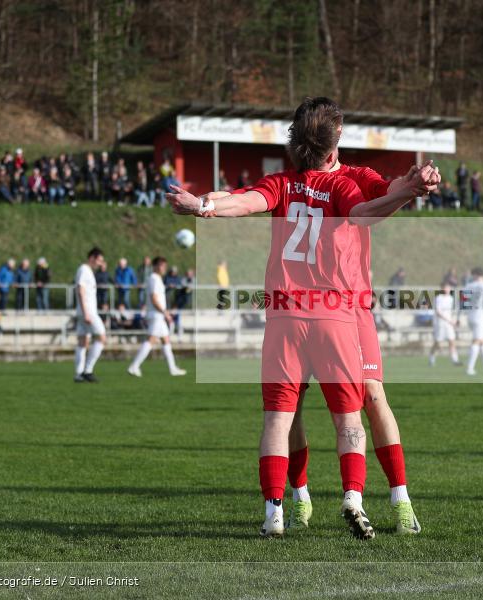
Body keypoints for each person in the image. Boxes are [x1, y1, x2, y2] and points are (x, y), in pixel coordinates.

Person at [167, 96, 433, 540]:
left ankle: (398, 499)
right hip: (333, 313)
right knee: (328, 411)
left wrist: (204, 205)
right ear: (335, 139)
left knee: (358, 398)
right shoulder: (333, 184)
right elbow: (372, 208)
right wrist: (410, 189)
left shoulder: (342, 178)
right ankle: (311, 495)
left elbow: (244, 200)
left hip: (330, 310)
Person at [128, 256, 187, 377]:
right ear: (155, 266)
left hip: (158, 315)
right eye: (162, 265)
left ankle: (173, 368)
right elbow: (154, 298)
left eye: (165, 266)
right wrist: (165, 312)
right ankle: (134, 366)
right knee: (151, 340)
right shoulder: (154, 278)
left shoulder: (157, 278)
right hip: (156, 315)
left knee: (166, 340)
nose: (164, 268)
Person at [74, 248, 106, 383]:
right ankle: (88, 370)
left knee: (83, 342)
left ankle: (78, 374)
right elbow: (80, 290)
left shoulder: (88, 271)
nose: (100, 264)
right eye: (99, 260)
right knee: (101, 338)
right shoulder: (84, 270)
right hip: (88, 312)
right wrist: (86, 312)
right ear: (92, 258)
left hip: (84, 311)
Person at [429, 283, 460, 366]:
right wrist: (449, 320)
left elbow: (449, 312)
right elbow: (438, 312)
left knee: (451, 341)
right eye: (446, 288)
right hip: (440, 323)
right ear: (442, 288)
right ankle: (431, 357)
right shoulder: (438, 298)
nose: (447, 289)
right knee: (437, 343)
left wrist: (453, 321)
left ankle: (455, 360)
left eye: (448, 288)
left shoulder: (450, 298)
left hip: (449, 324)